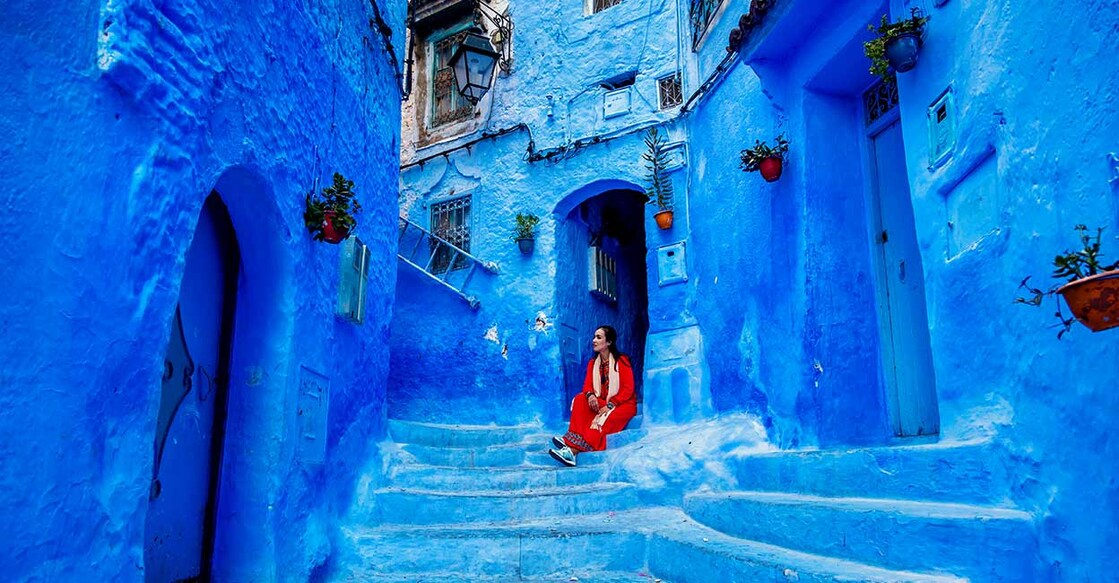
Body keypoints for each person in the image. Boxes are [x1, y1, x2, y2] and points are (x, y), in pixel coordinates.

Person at [549, 325, 637, 467]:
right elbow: (587, 386)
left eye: (598, 337)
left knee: (603, 420)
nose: (594, 340)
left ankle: (572, 450)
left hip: (623, 405)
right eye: (594, 337)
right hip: (603, 402)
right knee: (580, 399)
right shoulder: (592, 363)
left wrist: (611, 404)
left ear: (609, 342)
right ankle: (570, 438)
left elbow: (628, 389)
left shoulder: (621, 361)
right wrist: (590, 396)